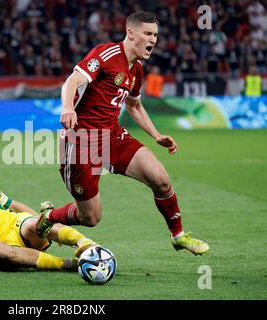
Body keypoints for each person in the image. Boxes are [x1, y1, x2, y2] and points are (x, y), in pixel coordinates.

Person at [36, 11, 209, 255]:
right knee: (91, 217)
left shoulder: (136, 69)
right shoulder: (105, 54)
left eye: (156, 35)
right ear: (130, 33)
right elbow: (71, 82)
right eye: (148, 34)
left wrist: (156, 135)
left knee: (160, 178)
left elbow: (133, 105)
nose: (153, 40)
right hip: (80, 141)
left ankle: (178, 235)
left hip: (113, 137)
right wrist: (67, 108)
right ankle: (49, 216)